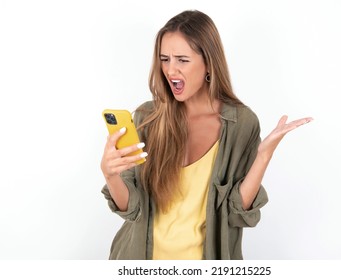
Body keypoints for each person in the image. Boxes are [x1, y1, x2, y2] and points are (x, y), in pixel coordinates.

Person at [100, 9, 313, 260]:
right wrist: (111, 175)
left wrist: (263, 156)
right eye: (165, 59)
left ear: (209, 62)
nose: (170, 70)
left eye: (182, 59)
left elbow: (237, 213)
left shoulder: (241, 123)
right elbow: (131, 209)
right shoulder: (148, 118)